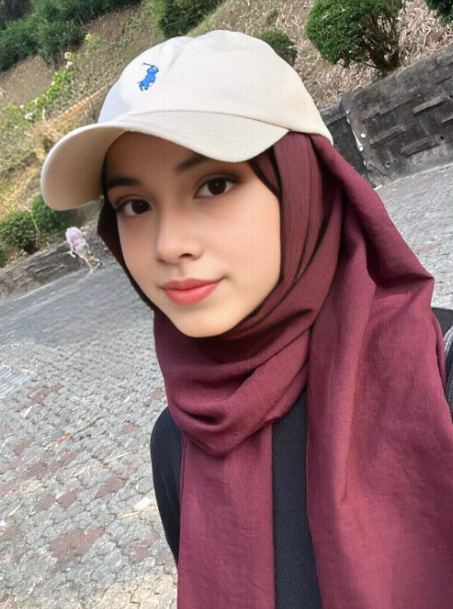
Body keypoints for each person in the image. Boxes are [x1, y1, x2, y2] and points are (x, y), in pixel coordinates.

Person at [40, 30, 453, 609]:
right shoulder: (177, 443)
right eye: (135, 205)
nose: (168, 245)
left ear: (302, 186)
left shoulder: (438, 374)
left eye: (214, 184)